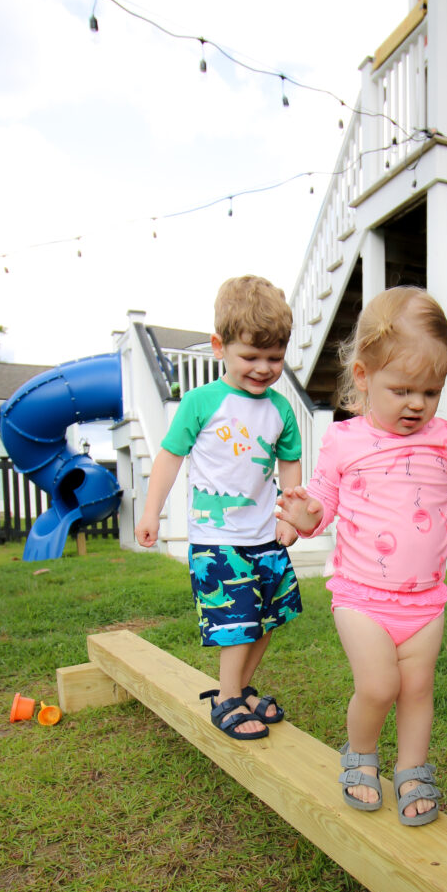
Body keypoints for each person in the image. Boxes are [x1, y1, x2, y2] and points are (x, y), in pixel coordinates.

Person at [277, 286, 447, 826]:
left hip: (426, 600)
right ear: (363, 376)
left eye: (430, 391)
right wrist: (301, 516)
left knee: (417, 688)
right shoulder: (345, 441)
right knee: (380, 685)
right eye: (402, 389)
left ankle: (412, 769)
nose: (417, 404)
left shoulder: (446, 440)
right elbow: (324, 502)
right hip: (362, 597)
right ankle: (360, 755)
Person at [135, 275, 303, 741]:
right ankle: (228, 697)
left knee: (270, 617)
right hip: (218, 539)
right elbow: (169, 458)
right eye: (251, 356)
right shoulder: (201, 402)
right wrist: (151, 512)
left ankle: (242, 689)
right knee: (237, 622)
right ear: (219, 347)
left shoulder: (281, 410)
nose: (264, 368)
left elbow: (289, 463)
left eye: (275, 357)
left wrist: (289, 517)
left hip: (264, 536)